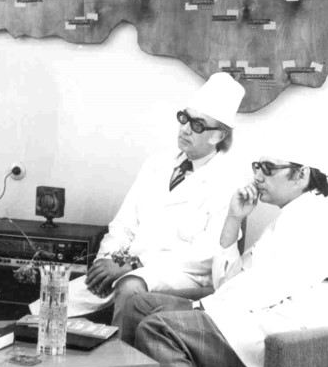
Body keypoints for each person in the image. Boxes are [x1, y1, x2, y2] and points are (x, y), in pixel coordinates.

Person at [120, 141, 328, 367]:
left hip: (278, 329)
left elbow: (267, 288)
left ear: (301, 175)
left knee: (160, 329)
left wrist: (202, 309)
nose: (258, 176)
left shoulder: (316, 218)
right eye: (256, 166)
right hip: (248, 311)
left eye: (268, 168)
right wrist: (234, 219)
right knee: (140, 305)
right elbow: (229, 280)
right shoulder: (289, 215)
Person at [85, 72, 246, 330]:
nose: (185, 129)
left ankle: (119, 358)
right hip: (128, 264)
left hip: (182, 275)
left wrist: (134, 264)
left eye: (197, 125)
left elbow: (205, 255)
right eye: (184, 118)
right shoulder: (156, 164)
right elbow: (123, 225)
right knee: (56, 302)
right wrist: (106, 262)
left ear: (218, 136)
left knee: (129, 287)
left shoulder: (228, 182)